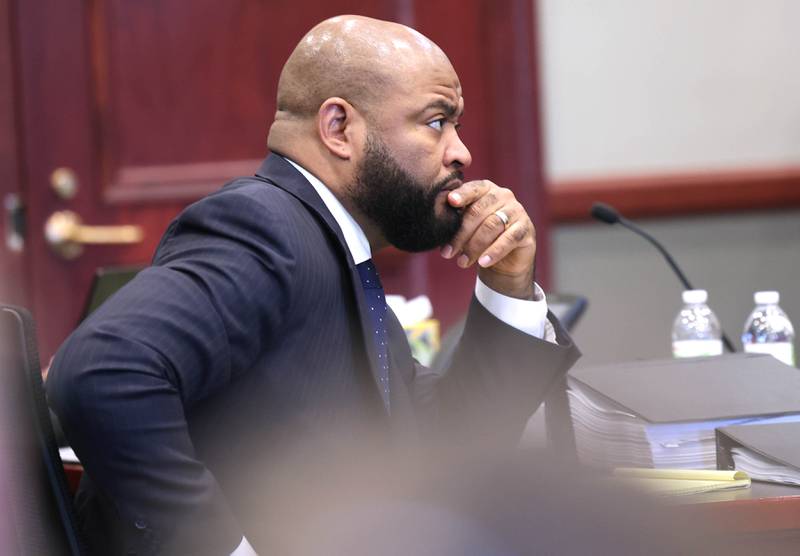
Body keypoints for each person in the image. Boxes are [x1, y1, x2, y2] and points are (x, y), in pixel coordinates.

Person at [47, 15, 580, 555]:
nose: (460, 152)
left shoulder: (330, 242)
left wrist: (507, 287)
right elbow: (102, 369)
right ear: (339, 129)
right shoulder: (263, 227)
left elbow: (452, 443)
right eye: (436, 121)